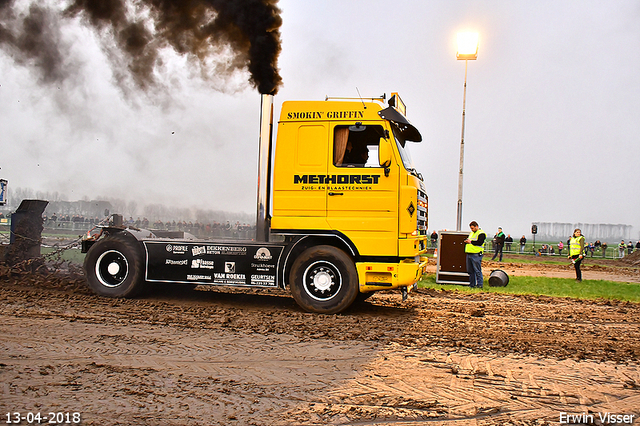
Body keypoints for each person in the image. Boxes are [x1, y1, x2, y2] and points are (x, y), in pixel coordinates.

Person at [464, 221, 486, 288]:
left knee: (477, 270)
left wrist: (470, 242)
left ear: (476, 226)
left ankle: (479, 285)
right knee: (470, 271)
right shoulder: (471, 233)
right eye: (471, 228)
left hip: (476, 254)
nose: (472, 229)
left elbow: (479, 242)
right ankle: (472, 285)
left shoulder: (481, 233)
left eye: (473, 228)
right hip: (469, 254)